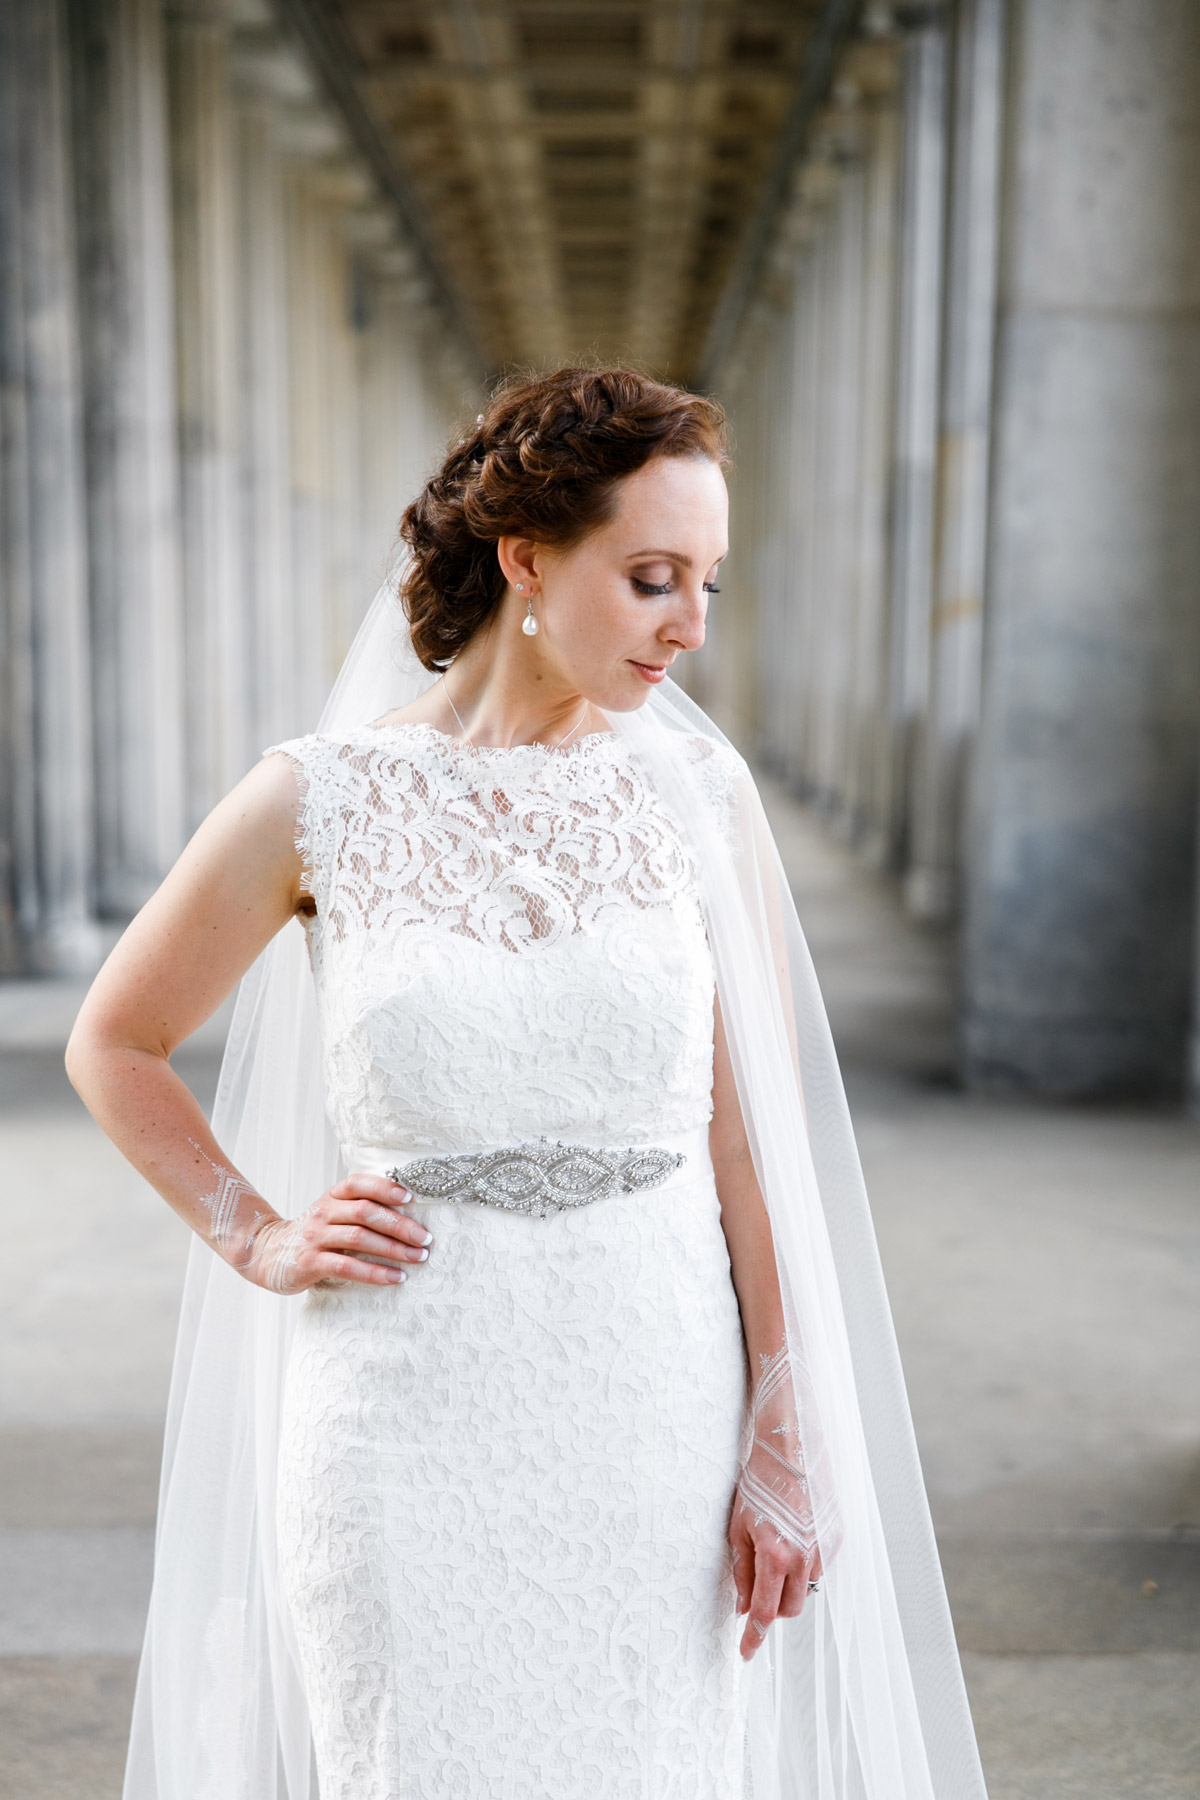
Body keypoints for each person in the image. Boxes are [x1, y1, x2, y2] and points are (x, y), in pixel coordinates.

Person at [67, 367, 987, 1800]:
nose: (691, 623)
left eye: (710, 583)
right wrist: (256, 1231)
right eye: (652, 577)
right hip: (398, 1423)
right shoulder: (319, 800)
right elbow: (114, 1040)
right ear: (526, 560)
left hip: (655, 1412)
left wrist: (784, 1424)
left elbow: (753, 1138)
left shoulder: (701, 802)